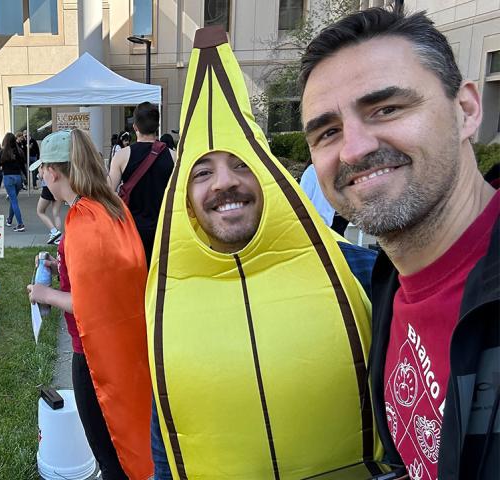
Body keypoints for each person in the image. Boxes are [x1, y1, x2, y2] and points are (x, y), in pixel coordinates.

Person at [148, 26, 380, 479]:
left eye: (241, 165)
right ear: (184, 200)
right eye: (202, 173)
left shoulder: (355, 271)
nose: (224, 183)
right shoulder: (163, 300)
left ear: (268, 176)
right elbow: (167, 432)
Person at [300, 7, 499, 479]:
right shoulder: (390, 281)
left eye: (386, 109)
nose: (353, 149)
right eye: (328, 132)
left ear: (466, 110)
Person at [26, 128, 154, 480]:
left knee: (109, 456)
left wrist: (44, 294)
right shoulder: (111, 208)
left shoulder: (81, 220)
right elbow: (105, 278)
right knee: (132, 440)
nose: (41, 177)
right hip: (128, 348)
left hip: (95, 356)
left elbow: (88, 303)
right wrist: (60, 265)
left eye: (42, 171)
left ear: (54, 172)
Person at [108, 103, 174, 265]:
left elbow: (108, 193)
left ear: (135, 126)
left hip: (132, 229)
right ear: (157, 126)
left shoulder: (122, 156)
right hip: (164, 229)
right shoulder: (173, 156)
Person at [0, 132, 27, 232]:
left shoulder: (3, 152)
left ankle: (20, 224)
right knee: (14, 200)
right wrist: (25, 178)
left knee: (13, 201)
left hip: (8, 177)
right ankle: (9, 219)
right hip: (18, 178)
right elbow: (23, 166)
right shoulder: (19, 151)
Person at [34, 138, 64, 243]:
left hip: (47, 188)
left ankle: (54, 232)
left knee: (40, 211)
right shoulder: (59, 160)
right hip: (58, 186)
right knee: (56, 213)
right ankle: (58, 237)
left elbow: (41, 176)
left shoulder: (44, 162)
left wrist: (38, 174)